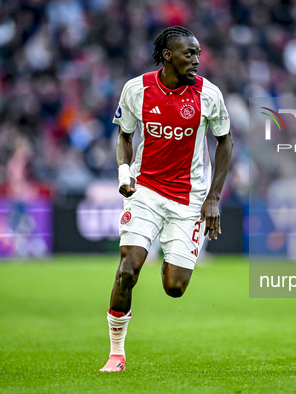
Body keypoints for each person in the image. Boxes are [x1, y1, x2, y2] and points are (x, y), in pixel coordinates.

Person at [100, 26, 233, 372]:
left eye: (199, 54)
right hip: (144, 192)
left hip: (188, 201)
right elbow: (124, 136)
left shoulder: (209, 95)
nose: (197, 61)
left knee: (174, 287)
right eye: (190, 54)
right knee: (127, 270)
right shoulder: (136, 89)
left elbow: (225, 141)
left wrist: (213, 198)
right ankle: (116, 354)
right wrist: (123, 173)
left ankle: (172, 252)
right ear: (168, 56)